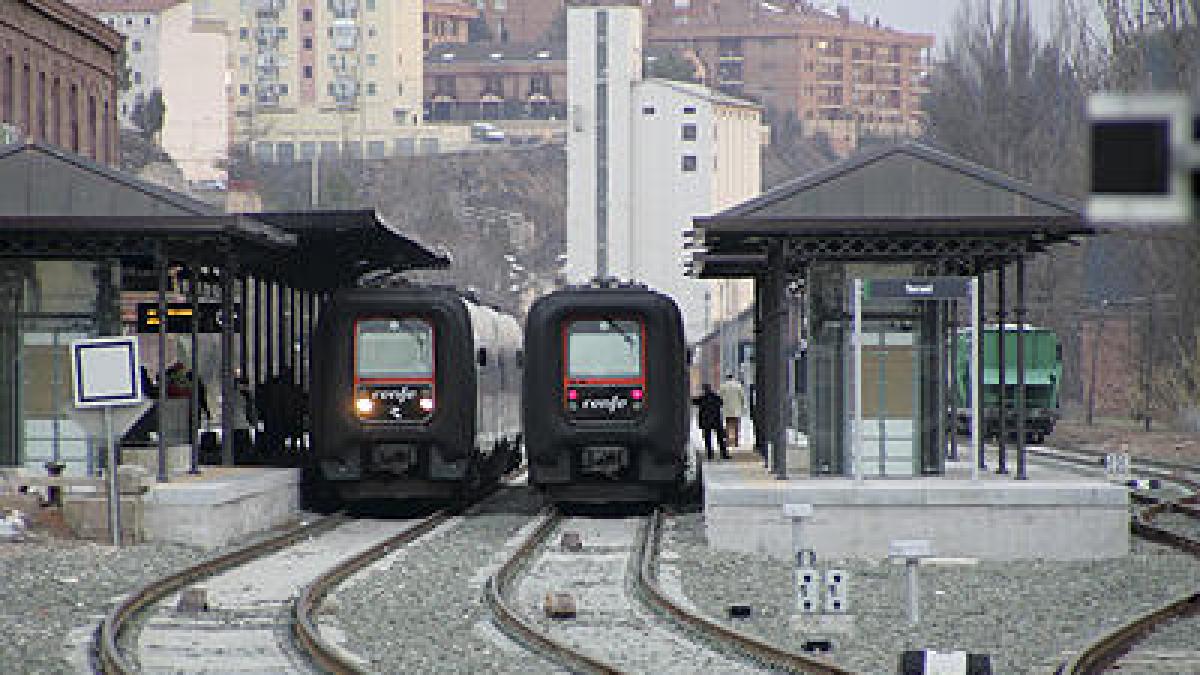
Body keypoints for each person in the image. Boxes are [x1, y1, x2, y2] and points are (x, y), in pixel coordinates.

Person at [691, 383, 729, 461]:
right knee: (720, 438)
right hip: (716, 420)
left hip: (706, 421)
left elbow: (694, 402)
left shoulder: (701, 399)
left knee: (708, 438)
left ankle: (709, 454)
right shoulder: (716, 397)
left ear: (704, 390)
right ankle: (724, 454)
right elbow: (721, 403)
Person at [719, 374, 746, 449]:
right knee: (736, 426)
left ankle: (728, 441)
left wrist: (721, 406)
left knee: (728, 425)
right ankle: (736, 441)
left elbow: (720, 397)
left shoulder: (723, 386)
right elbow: (742, 397)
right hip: (736, 409)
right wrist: (742, 407)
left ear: (727, 378)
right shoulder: (738, 386)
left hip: (727, 409)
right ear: (733, 378)